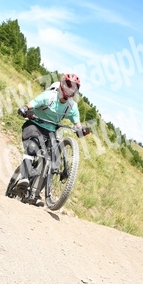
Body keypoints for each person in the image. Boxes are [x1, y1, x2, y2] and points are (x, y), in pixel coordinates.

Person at [14, 73, 89, 201]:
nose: (69, 89)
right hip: (34, 124)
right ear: (62, 84)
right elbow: (31, 104)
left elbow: (77, 123)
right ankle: (23, 179)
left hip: (51, 132)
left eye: (73, 87)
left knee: (53, 162)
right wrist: (25, 108)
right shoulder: (49, 96)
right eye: (67, 85)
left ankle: (35, 195)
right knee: (31, 147)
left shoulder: (72, 106)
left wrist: (80, 129)